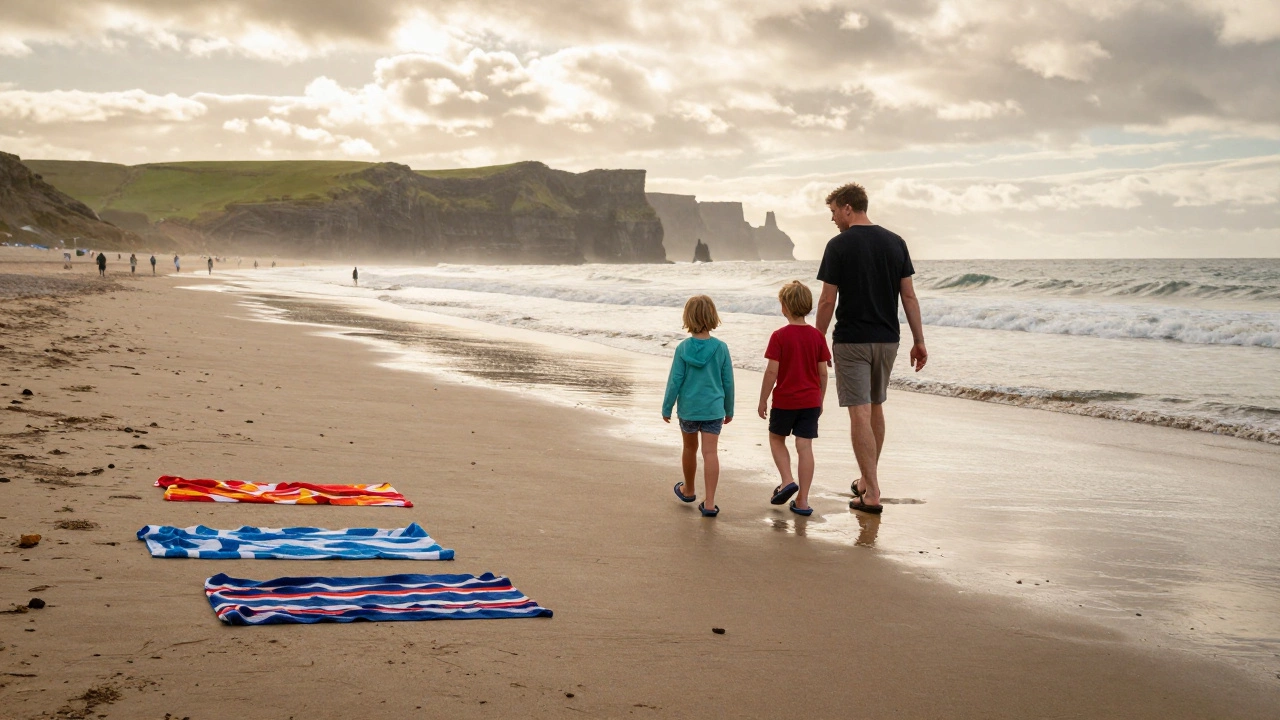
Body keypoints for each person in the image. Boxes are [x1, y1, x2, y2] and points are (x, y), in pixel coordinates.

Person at [815, 183, 927, 515]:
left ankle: (872, 491)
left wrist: (815, 339)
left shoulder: (838, 245)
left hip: (852, 340)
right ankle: (866, 481)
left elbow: (826, 299)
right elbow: (908, 296)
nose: (832, 218)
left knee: (859, 412)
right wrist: (919, 340)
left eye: (833, 211)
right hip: (888, 339)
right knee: (876, 408)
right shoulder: (896, 242)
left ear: (848, 207)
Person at [758, 281, 831, 516]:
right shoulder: (817, 336)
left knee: (776, 439)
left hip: (785, 401)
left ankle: (787, 480)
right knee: (804, 446)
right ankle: (802, 501)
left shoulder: (779, 336)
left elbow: (772, 372)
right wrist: (820, 399)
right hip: (810, 401)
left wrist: (762, 400)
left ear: (784, 307)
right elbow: (823, 373)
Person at [661, 295, 735, 518]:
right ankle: (710, 502)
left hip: (689, 408)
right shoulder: (721, 348)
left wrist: (667, 407)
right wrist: (729, 409)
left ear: (688, 317)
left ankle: (689, 490)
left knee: (690, 448)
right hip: (713, 409)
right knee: (710, 452)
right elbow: (728, 381)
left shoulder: (683, 348)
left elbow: (675, 380)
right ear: (713, 316)